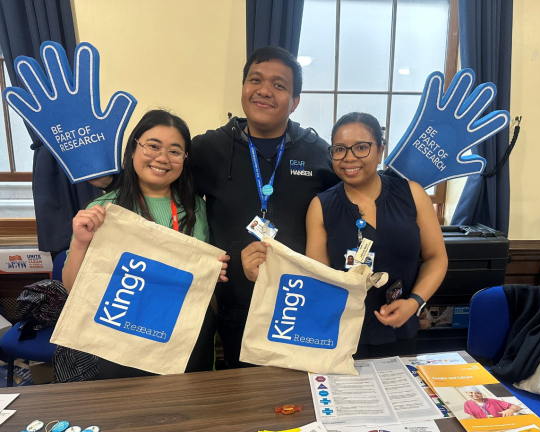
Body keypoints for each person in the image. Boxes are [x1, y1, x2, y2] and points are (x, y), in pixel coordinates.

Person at [91, 47, 339, 369]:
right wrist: (110, 180)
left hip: (299, 305)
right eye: (255, 80)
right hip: (235, 306)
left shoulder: (319, 154)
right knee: (241, 401)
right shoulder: (208, 149)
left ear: (294, 101)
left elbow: (351, 199)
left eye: (279, 85)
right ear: (243, 89)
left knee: (299, 398)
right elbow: (161, 174)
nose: (264, 90)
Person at [242, 112, 447, 358]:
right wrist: (266, 272)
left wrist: (415, 302)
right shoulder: (321, 206)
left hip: (401, 330)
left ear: (380, 150)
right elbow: (317, 278)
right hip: (340, 335)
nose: (349, 158)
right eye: (339, 149)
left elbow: (437, 258)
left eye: (361, 147)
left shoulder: (412, 194)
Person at [63, 109, 229, 378]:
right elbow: (73, 289)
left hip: (182, 336)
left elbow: (203, 282)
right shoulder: (104, 210)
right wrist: (81, 243)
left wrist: (212, 273)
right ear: (133, 149)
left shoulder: (197, 208)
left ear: (185, 160)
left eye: (175, 151)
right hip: (120, 338)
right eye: (153, 146)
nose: (162, 158)